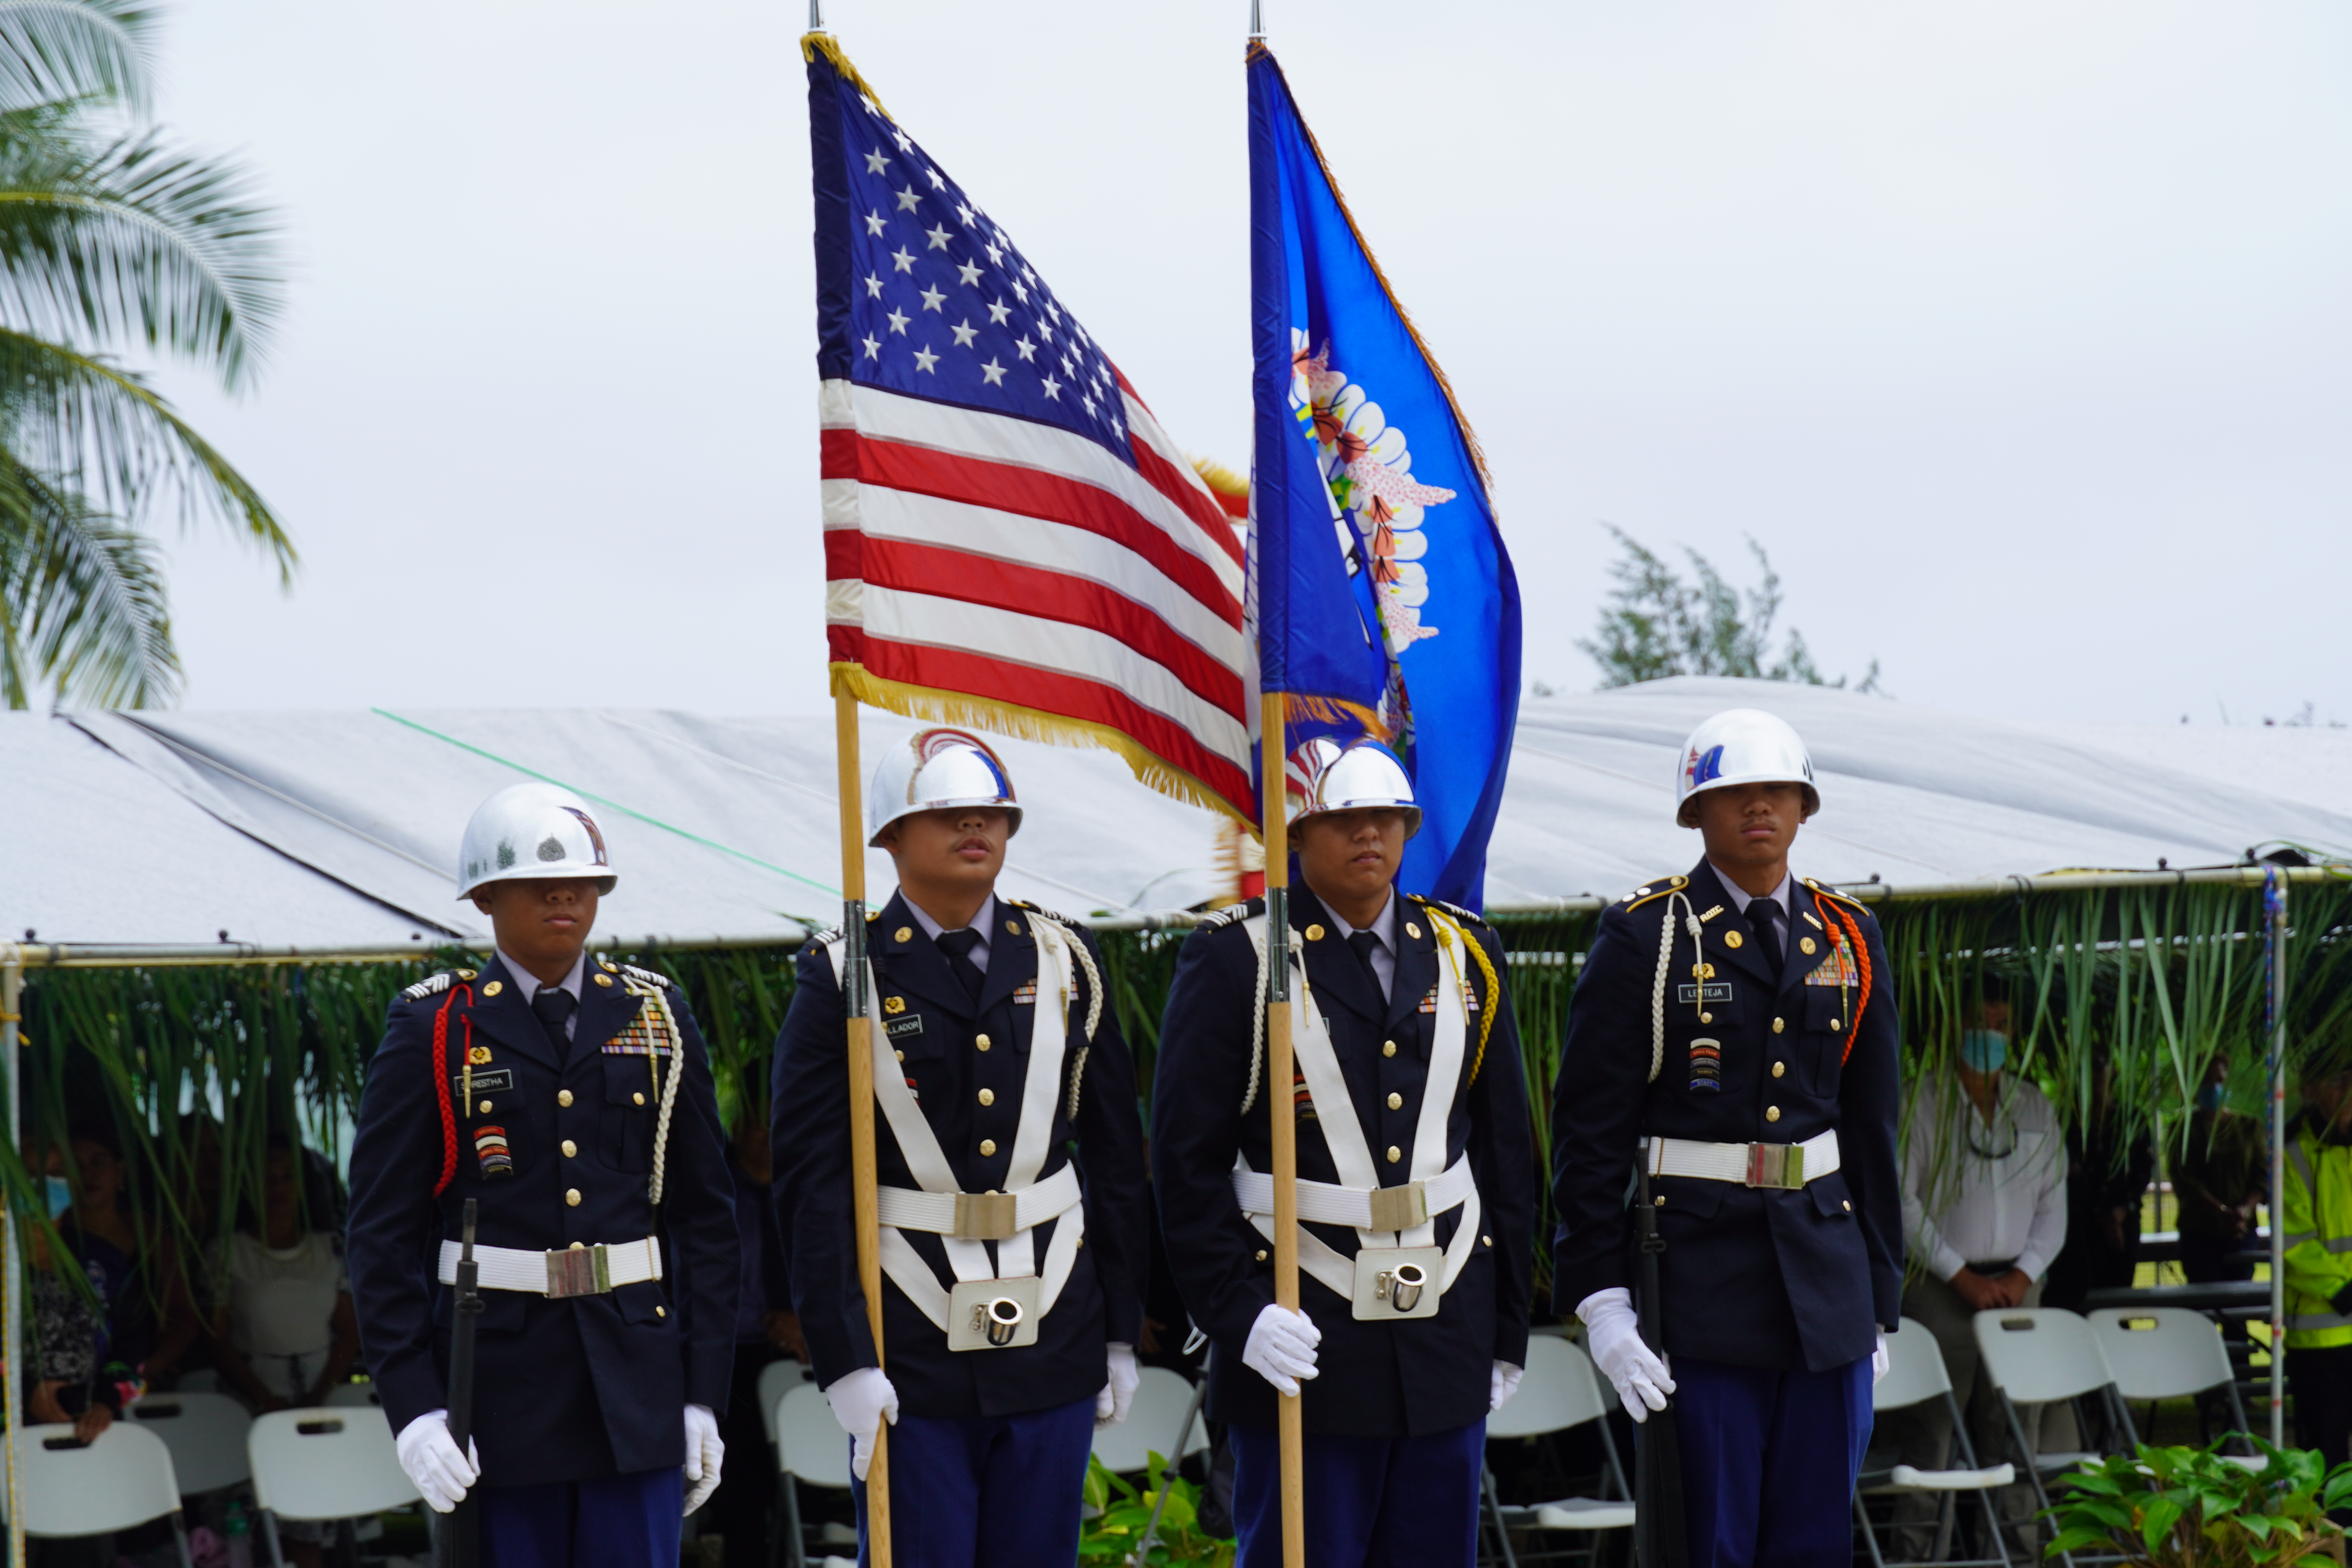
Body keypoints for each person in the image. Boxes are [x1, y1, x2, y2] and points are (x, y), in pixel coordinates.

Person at [1152, 737, 1535, 1568]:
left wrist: (1508, 1329)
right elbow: (1184, 1163)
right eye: (1345, 818)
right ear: (1297, 833)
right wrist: (1237, 1311)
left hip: (1444, 1327)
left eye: (1388, 819)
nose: (1371, 835)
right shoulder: (1236, 959)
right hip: (1303, 1324)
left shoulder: (1466, 952)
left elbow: (1506, 1153)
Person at [771, 728, 1148, 1568]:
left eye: (992, 814)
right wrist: (844, 1359)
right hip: (909, 1344)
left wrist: (1120, 1329)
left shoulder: (1064, 958)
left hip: (1052, 1328)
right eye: (948, 813)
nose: (976, 827)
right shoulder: (844, 974)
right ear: (892, 836)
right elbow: (812, 1184)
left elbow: (1118, 1160)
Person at [347, 782, 738, 1567]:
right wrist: (415, 1407)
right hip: (498, 1399)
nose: (565, 894)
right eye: (537, 881)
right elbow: (380, 1236)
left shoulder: (656, 1016)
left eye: (582, 881)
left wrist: (703, 1391)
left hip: (636, 1391)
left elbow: (707, 1222)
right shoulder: (436, 1026)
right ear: (487, 896)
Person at [1550, 708, 1901, 1568]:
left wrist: (1879, 1297)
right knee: (1709, 1540)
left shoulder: (1849, 934)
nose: (1758, 808)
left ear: (1806, 806)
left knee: (1816, 1541)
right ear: (1695, 813)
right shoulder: (1647, 935)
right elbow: (1590, 1135)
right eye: (1733, 792)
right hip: (1700, 1285)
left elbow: (1872, 1127)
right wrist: (1602, 1300)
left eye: (1778, 790)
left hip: (1826, 1285)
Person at [1888, 986, 2070, 1555]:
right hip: (1942, 1290)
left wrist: (2023, 1276)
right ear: (1952, 1030)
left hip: (2020, 1288)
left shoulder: (2035, 1105)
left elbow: (2053, 1204)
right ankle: (1919, 1558)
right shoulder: (1920, 1102)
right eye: (1979, 1021)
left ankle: (2015, 1553)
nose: (1991, 1033)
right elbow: (1901, 1200)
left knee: (2018, 1427)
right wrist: (1960, 1275)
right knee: (1934, 1432)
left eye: (2001, 1022)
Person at [705, 1102, 802, 1566]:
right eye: (759, 1117)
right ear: (739, 1120)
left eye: (777, 1116)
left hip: (802, 1354)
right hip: (734, 1355)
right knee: (741, 1485)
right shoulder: (713, 1184)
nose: (768, 1131)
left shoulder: (802, 1181)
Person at [210, 1142, 362, 1413]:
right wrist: (263, 1397)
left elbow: (348, 1332)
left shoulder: (333, 1248)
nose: (278, 1188)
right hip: (250, 1402)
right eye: (268, 1178)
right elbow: (217, 1338)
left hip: (324, 1401)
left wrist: (320, 1395)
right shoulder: (227, 1252)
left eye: (288, 1177)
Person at [2280, 1061, 2352, 1468]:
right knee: (2327, 1462)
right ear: (2310, 1089)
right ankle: (2334, 1533)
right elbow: (2294, 1244)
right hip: (2320, 1340)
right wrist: (2344, 1290)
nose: (2349, 1089)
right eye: (2338, 1078)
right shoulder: (2292, 1151)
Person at [2176, 1053, 2266, 1287]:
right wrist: (2221, 1213)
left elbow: (2262, 1176)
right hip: (2200, 1236)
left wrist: (2243, 1211)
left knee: (2238, 1308)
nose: (2215, 1087)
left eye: (2220, 1079)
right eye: (2207, 1081)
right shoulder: (2184, 1131)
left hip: (2241, 1232)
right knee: (2205, 1308)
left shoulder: (2249, 1127)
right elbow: (2187, 1182)